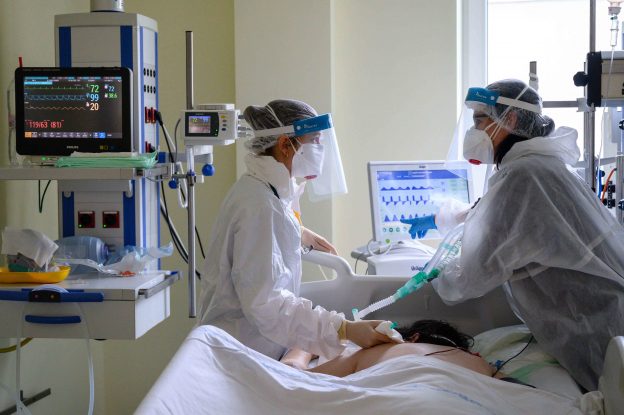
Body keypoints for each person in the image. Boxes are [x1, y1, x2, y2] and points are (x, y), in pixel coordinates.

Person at [401, 79, 624, 391]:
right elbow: (494, 213)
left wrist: (435, 273)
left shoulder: (523, 174)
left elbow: (471, 278)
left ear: (511, 119)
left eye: (480, 120)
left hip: (597, 327)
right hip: (603, 315)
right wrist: (441, 218)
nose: (474, 131)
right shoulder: (538, 166)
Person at [198, 99, 393, 361]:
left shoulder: (263, 191)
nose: (320, 148)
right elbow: (267, 304)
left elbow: (263, 242)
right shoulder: (262, 207)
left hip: (256, 345)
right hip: (243, 353)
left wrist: (296, 231)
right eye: (314, 140)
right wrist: (343, 329)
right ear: (284, 145)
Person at [282, 319, 533, 387]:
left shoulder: (385, 349)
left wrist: (302, 348)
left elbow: (297, 379)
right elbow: (523, 394)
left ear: (412, 336)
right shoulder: (479, 363)